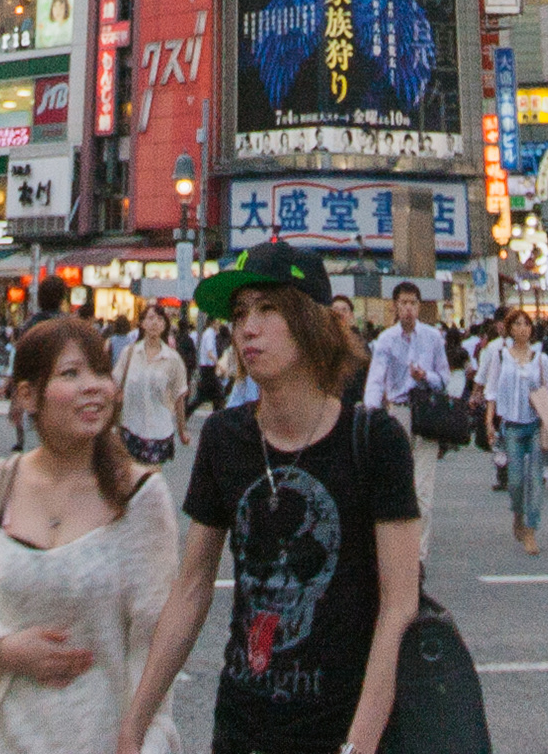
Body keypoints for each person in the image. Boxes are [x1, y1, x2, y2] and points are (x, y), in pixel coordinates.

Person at [122, 242, 421, 754]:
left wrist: (360, 744)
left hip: (339, 729)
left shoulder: (373, 441)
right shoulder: (224, 437)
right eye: (239, 314)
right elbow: (192, 589)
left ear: (312, 323)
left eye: (268, 309)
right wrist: (135, 721)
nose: (247, 329)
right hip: (241, 726)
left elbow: (399, 605)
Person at [0, 314, 185, 754]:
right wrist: (2, 649)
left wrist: (145, 739)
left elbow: (153, 646)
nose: (94, 386)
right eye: (71, 374)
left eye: (101, 371)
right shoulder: (0, 484)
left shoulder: (140, 495)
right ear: (28, 395)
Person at [359, 282, 456, 533]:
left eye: (413, 303)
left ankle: (418, 557)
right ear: (395, 306)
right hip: (398, 411)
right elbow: (376, 379)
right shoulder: (386, 339)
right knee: (398, 480)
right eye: (403, 303)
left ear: (419, 306)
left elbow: (445, 378)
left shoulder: (433, 337)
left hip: (426, 413)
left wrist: (426, 377)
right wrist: (371, 413)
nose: (408, 309)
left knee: (423, 487)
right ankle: (402, 540)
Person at [479, 305, 548, 556]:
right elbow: (491, 390)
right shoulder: (501, 355)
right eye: (517, 324)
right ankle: (517, 514)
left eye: (526, 324)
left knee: (535, 481)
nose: (522, 329)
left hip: (535, 424)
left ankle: (530, 530)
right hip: (511, 425)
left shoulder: (541, 358)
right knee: (515, 481)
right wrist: (489, 420)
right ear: (509, 328)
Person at [116, 309, 189, 468]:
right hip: (130, 428)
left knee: (150, 483)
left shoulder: (173, 359)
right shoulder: (129, 353)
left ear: (164, 325)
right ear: (142, 323)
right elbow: (114, 388)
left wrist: (182, 430)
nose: (154, 322)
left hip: (159, 432)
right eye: (150, 318)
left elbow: (179, 397)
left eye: (159, 319)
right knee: (129, 483)